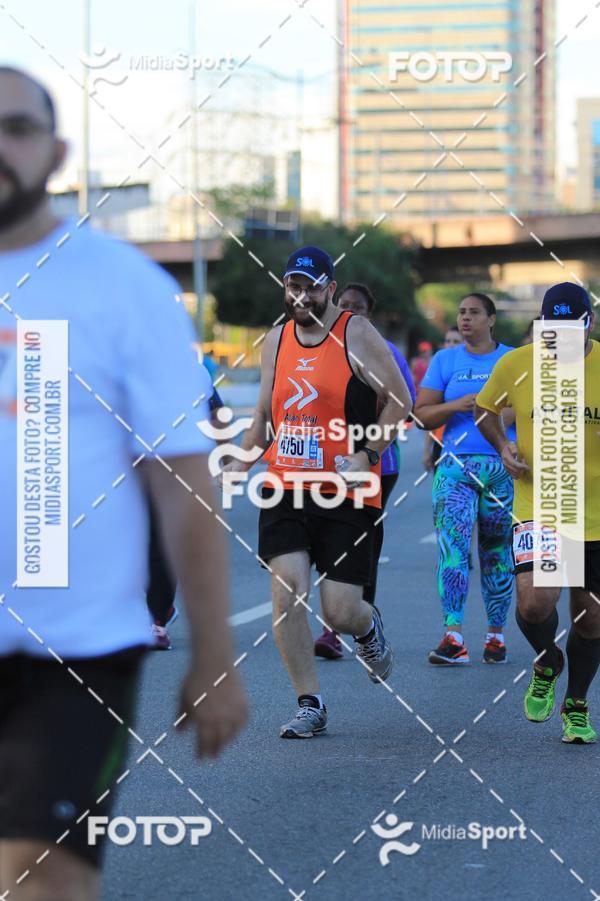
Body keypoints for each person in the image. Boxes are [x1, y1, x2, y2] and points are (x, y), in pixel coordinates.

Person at [0, 68, 247, 901]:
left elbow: (183, 480)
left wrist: (214, 649)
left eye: (17, 128)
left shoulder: (121, 285)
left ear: (56, 151)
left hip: (72, 657)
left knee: (41, 885)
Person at [222, 246, 413, 738]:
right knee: (286, 591)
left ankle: (368, 631)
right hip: (287, 484)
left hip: (348, 491)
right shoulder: (277, 340)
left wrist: (368, 454)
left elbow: (399, 401)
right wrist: (241, 460)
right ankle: (310, 704)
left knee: (340, 611)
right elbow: (264, 418)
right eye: (293, 286)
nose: (300, 296)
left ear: (330, 287)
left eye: (310, 286)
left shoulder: (356, 333)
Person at [476, 283, 600, 744]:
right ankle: (548, 658)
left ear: (588, 322)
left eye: (571, 329)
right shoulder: (517, 364)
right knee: (533, 603)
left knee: (591, 619)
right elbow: (485, 408)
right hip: (541, 507)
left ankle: (576, 704)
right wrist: (504, 445)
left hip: (596, 515)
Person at [313, 282, 416, 660]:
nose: (350, 311)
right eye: (344, 305)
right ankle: (331, 627)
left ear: (369, 314)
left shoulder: (384, 351)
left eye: (358, 307)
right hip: (326, 463)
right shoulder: (320, 343)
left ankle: (361, 618)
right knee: (326, 539)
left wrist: (365, 433)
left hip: (378, 465)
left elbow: (406, 402)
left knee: (361, 543)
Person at [414, 293, 516, 665]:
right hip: (455, 469)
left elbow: (528, 409)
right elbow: (422, 415)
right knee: (452, 553)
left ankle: (495, 636)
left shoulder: (512, 359)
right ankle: (453, 637)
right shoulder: (445, 360)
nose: (465, 319)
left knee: (496, 553)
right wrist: (454, 406)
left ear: (491, 320)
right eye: (461, 312)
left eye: (474, 313)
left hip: (501, 468)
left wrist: (493, 417)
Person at [147, 383, 225, 650]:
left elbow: (218, 416)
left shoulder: (191, 369)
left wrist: (225, 459)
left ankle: (157, 620)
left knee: (161, 543)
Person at [422, 327, 463, 473]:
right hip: (440, 443)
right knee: (442, 493)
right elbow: (430, 412)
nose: (451, 344)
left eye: (456, 341)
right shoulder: (438, 373)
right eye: (448, 341)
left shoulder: (471, 374)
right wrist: (427, 449)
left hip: (465, 445)